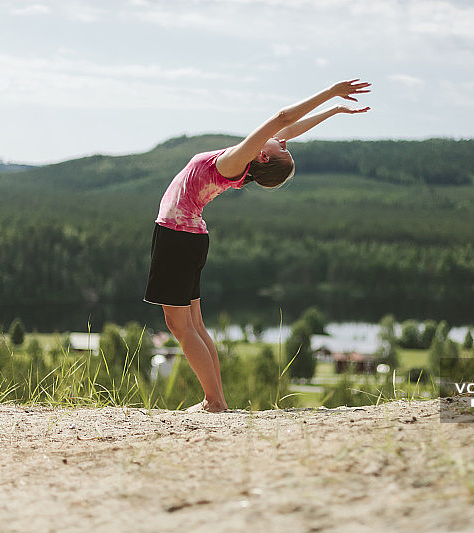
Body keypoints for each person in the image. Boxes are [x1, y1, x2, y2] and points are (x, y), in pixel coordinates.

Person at [144, 79, 371, 412]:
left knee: (179, 326)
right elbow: (289, 129)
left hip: (177, 237)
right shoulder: (245, 161)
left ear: (262, 157)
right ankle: (215, 399)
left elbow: (282, 118)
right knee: (193, 325)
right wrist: (334, 111)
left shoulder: (235, 161)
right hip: (189, 236)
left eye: (284, 148)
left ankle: (214, 401)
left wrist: (329, 92)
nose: (284, 142)